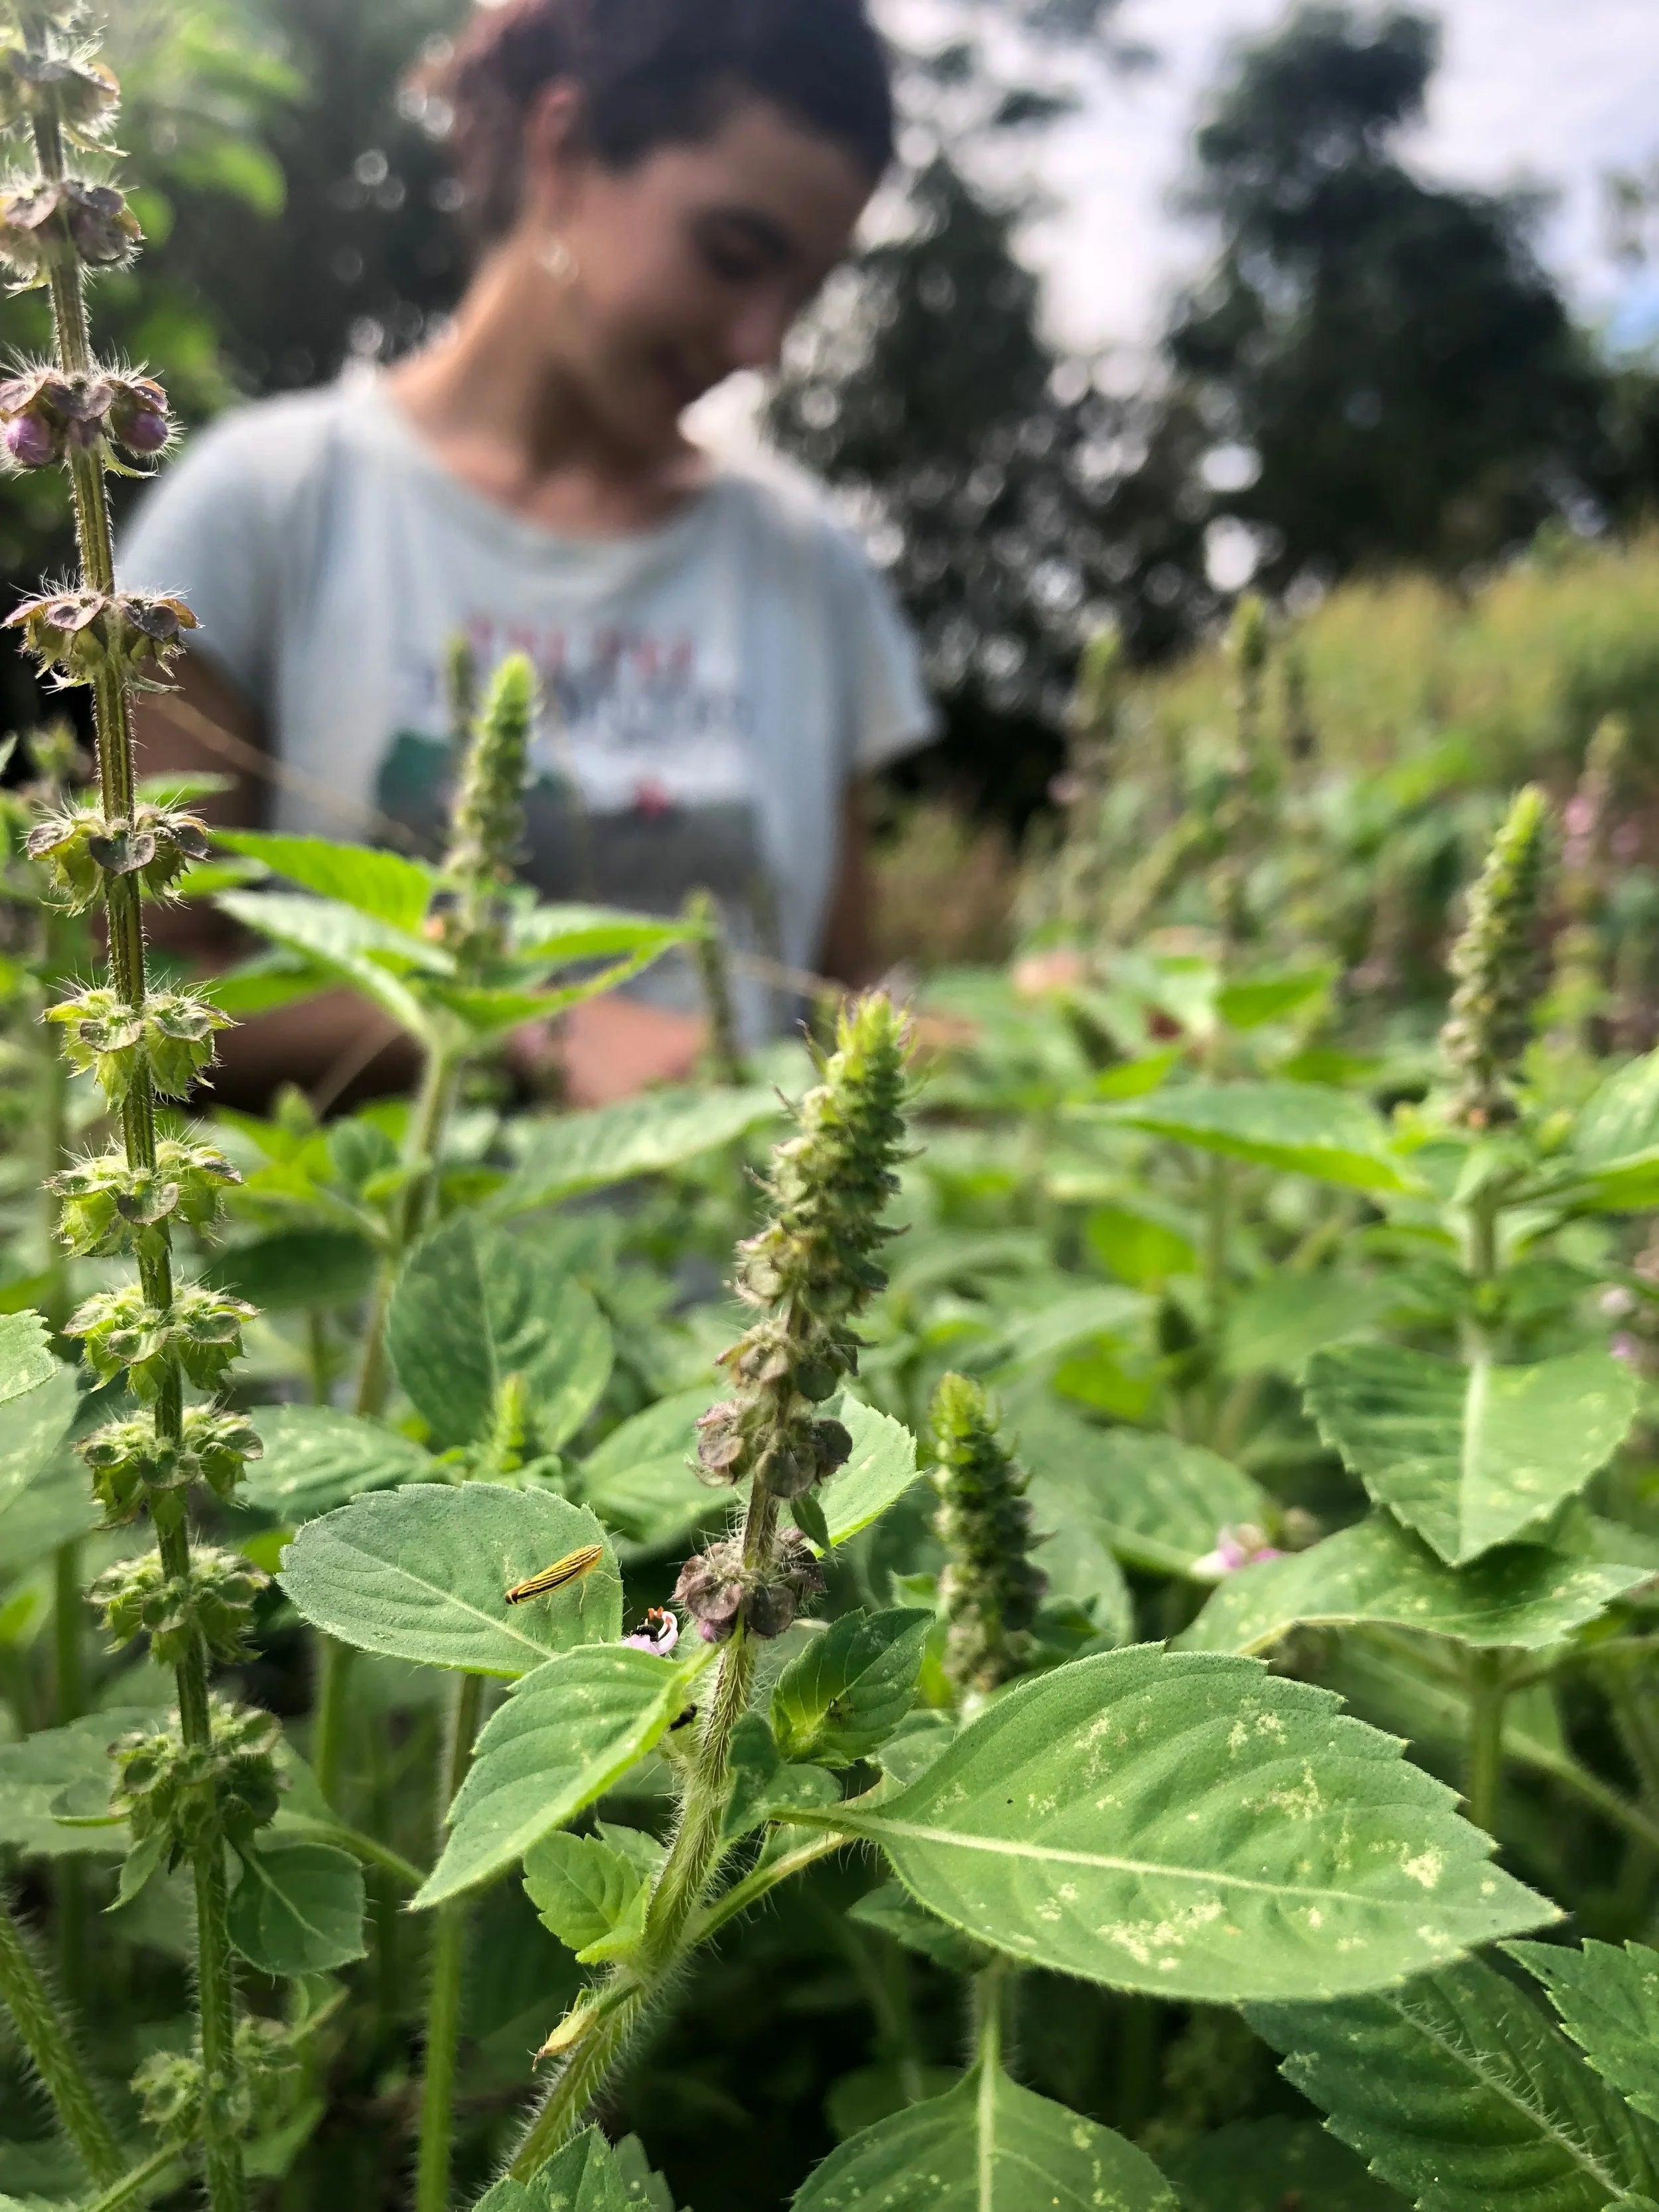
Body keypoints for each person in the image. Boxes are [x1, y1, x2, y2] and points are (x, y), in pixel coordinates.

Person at [120, 0, 934, 1108]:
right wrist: (504, 1020)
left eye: (804, 295)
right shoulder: (267, 505)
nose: (763, 346)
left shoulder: (810, 565)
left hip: (735, 1226)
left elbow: (840, 1000)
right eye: (734, 256)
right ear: (567, 148)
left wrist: (1044, 1035)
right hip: (374, 1215)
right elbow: (140, 1001)